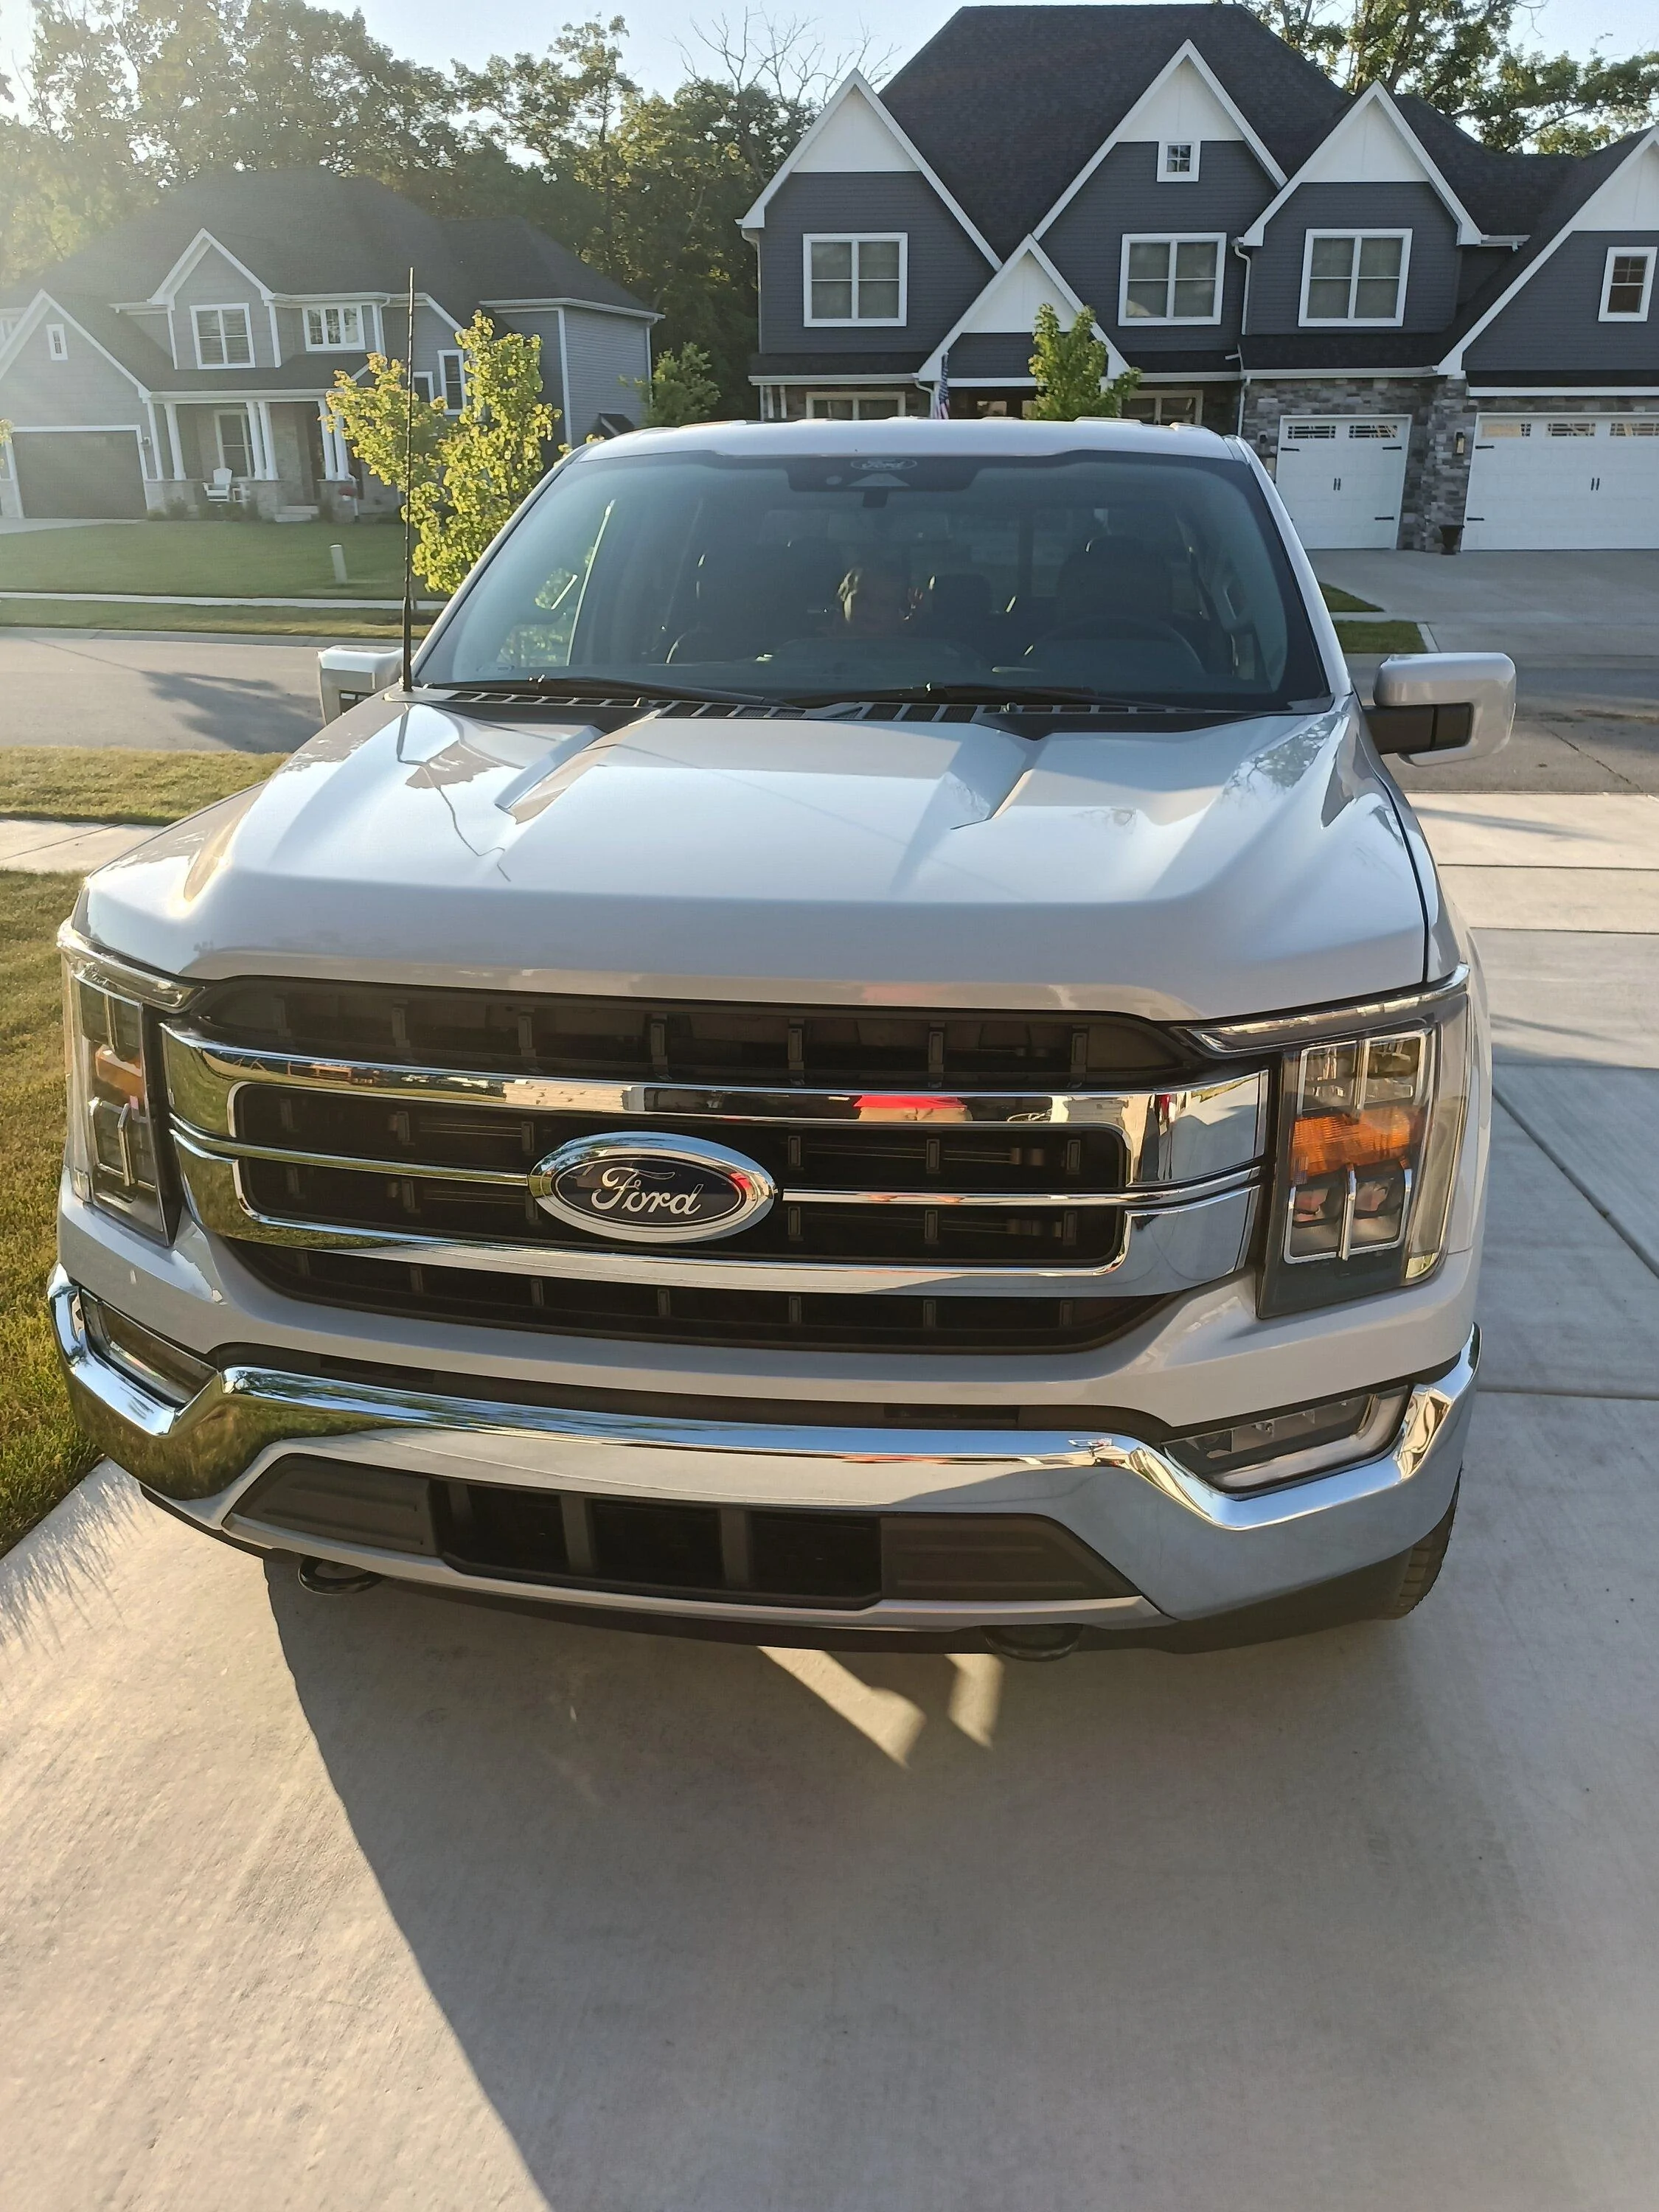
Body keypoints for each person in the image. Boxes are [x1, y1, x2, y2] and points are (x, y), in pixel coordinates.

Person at [835, 557, 913, 638]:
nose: (873, 608)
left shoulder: (910, 642)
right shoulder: (827, 639)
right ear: (843, 596)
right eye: (863, 599)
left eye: (884, 603)